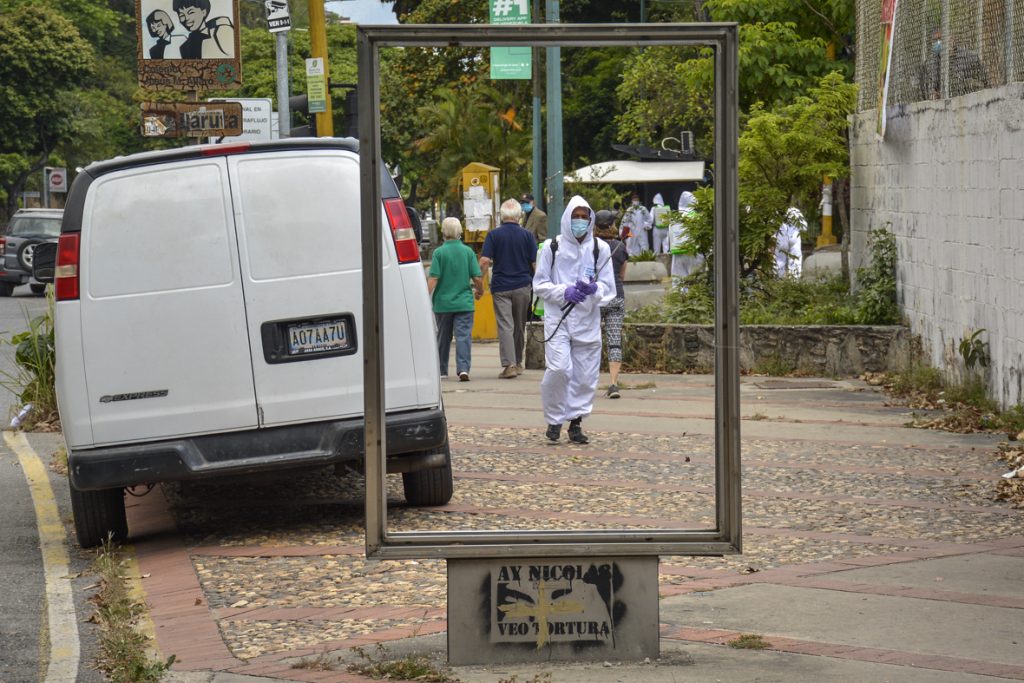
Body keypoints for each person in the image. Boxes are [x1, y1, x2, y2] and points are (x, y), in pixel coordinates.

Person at [533, 196, 616, 443]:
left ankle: (576, 422)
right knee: (559, 369)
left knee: (584, 375)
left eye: (583, 217)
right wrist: (564, 291)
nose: (579, 221)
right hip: (558, 319)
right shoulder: (552, 247)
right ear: (566, 218)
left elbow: (609, 287)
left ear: (590, 220)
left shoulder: (600, 249)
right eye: (575, 216)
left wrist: (594, 290)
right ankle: (554, 418)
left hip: (587, 320)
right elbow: (540, 284)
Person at [480, 199, 537, 379]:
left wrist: (479, 282)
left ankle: (509, 365)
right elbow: (535, 263)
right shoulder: (528, 235)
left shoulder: (493, 235)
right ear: (519, 216)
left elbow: (484, 261)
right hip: (523, 286)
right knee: (519, 326)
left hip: (501, 287)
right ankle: (518, 363)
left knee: (505, 325)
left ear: (502, 216)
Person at [428, 217, 483, 381]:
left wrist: (425, 296)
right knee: (463, 337)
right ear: (459, 231)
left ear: (444, 232)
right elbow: (477, 277)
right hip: (464, 303)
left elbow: (433, 278)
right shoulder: (468, 252)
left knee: (443, 338)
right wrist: (480, 291)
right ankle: (463, 369)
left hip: (443, 304)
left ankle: (442, 370)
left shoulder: (439, 253)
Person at [594, 209, 629, 399]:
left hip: (596, 298)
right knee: (614, 342)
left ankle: (586, 381)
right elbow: (622, 276)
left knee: (590, 341)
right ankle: (614, 384)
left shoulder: (591, 246)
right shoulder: (620, 247)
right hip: (616, 297)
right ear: (612, 226)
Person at [667, 190, 704, 284]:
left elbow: (669, 237)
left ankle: (680, 294)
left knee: (679, 282)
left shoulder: (675, 218)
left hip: (678, 254)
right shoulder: (697, 217)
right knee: (696, 282)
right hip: (694, 253)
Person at [775, 207, 806, 278]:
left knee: (780, 260)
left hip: (782, 239)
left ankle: (779, 280)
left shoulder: (774, 212)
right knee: (795, 260)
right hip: (793, 238)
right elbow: (804, 227)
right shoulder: (795, 211)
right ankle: (794, 280)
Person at [620, 191, 652, 256]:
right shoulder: (629, 210)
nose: (635, 201)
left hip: (642, 230)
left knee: (644, 245)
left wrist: (647, 225)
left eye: (637, 200)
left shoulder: (643, 209)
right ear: (632, 201)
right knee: (633, 245)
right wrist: (623, 231)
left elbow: (649, 219)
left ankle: (645, 258)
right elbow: (625, 221)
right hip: (633, 231)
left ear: (639, 201)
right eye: (634, 200)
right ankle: (634, 258)